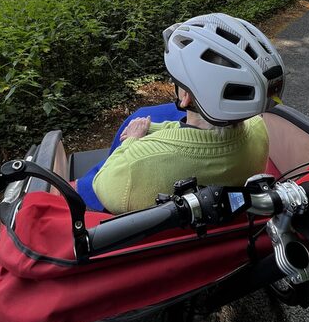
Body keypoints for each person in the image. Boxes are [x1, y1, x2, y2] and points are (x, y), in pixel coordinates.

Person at [90, 12, 285, 214]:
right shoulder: (259, 127)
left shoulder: (136, 163)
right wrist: (154, 129)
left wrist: (131, 140)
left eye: (176, 81)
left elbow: (101, 185)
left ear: (185, 97)